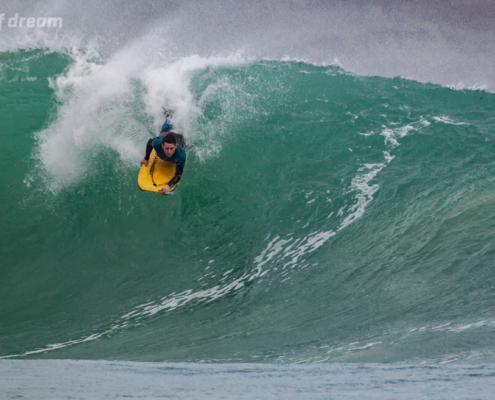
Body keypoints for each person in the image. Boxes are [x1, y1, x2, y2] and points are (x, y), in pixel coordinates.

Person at [140, 112, 186, 195]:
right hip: (166, 136)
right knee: (164, 130)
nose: (169, 152)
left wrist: (168, 185)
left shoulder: (181, 155)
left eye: (171, 149)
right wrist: (146, 158)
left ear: (175, 146)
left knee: (185, 138)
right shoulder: (157, 143)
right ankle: (169, 116)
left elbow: (178, 175)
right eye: (167, 148)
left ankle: (181, 118)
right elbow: (150, 142)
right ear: (162, 146)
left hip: (179, 138)